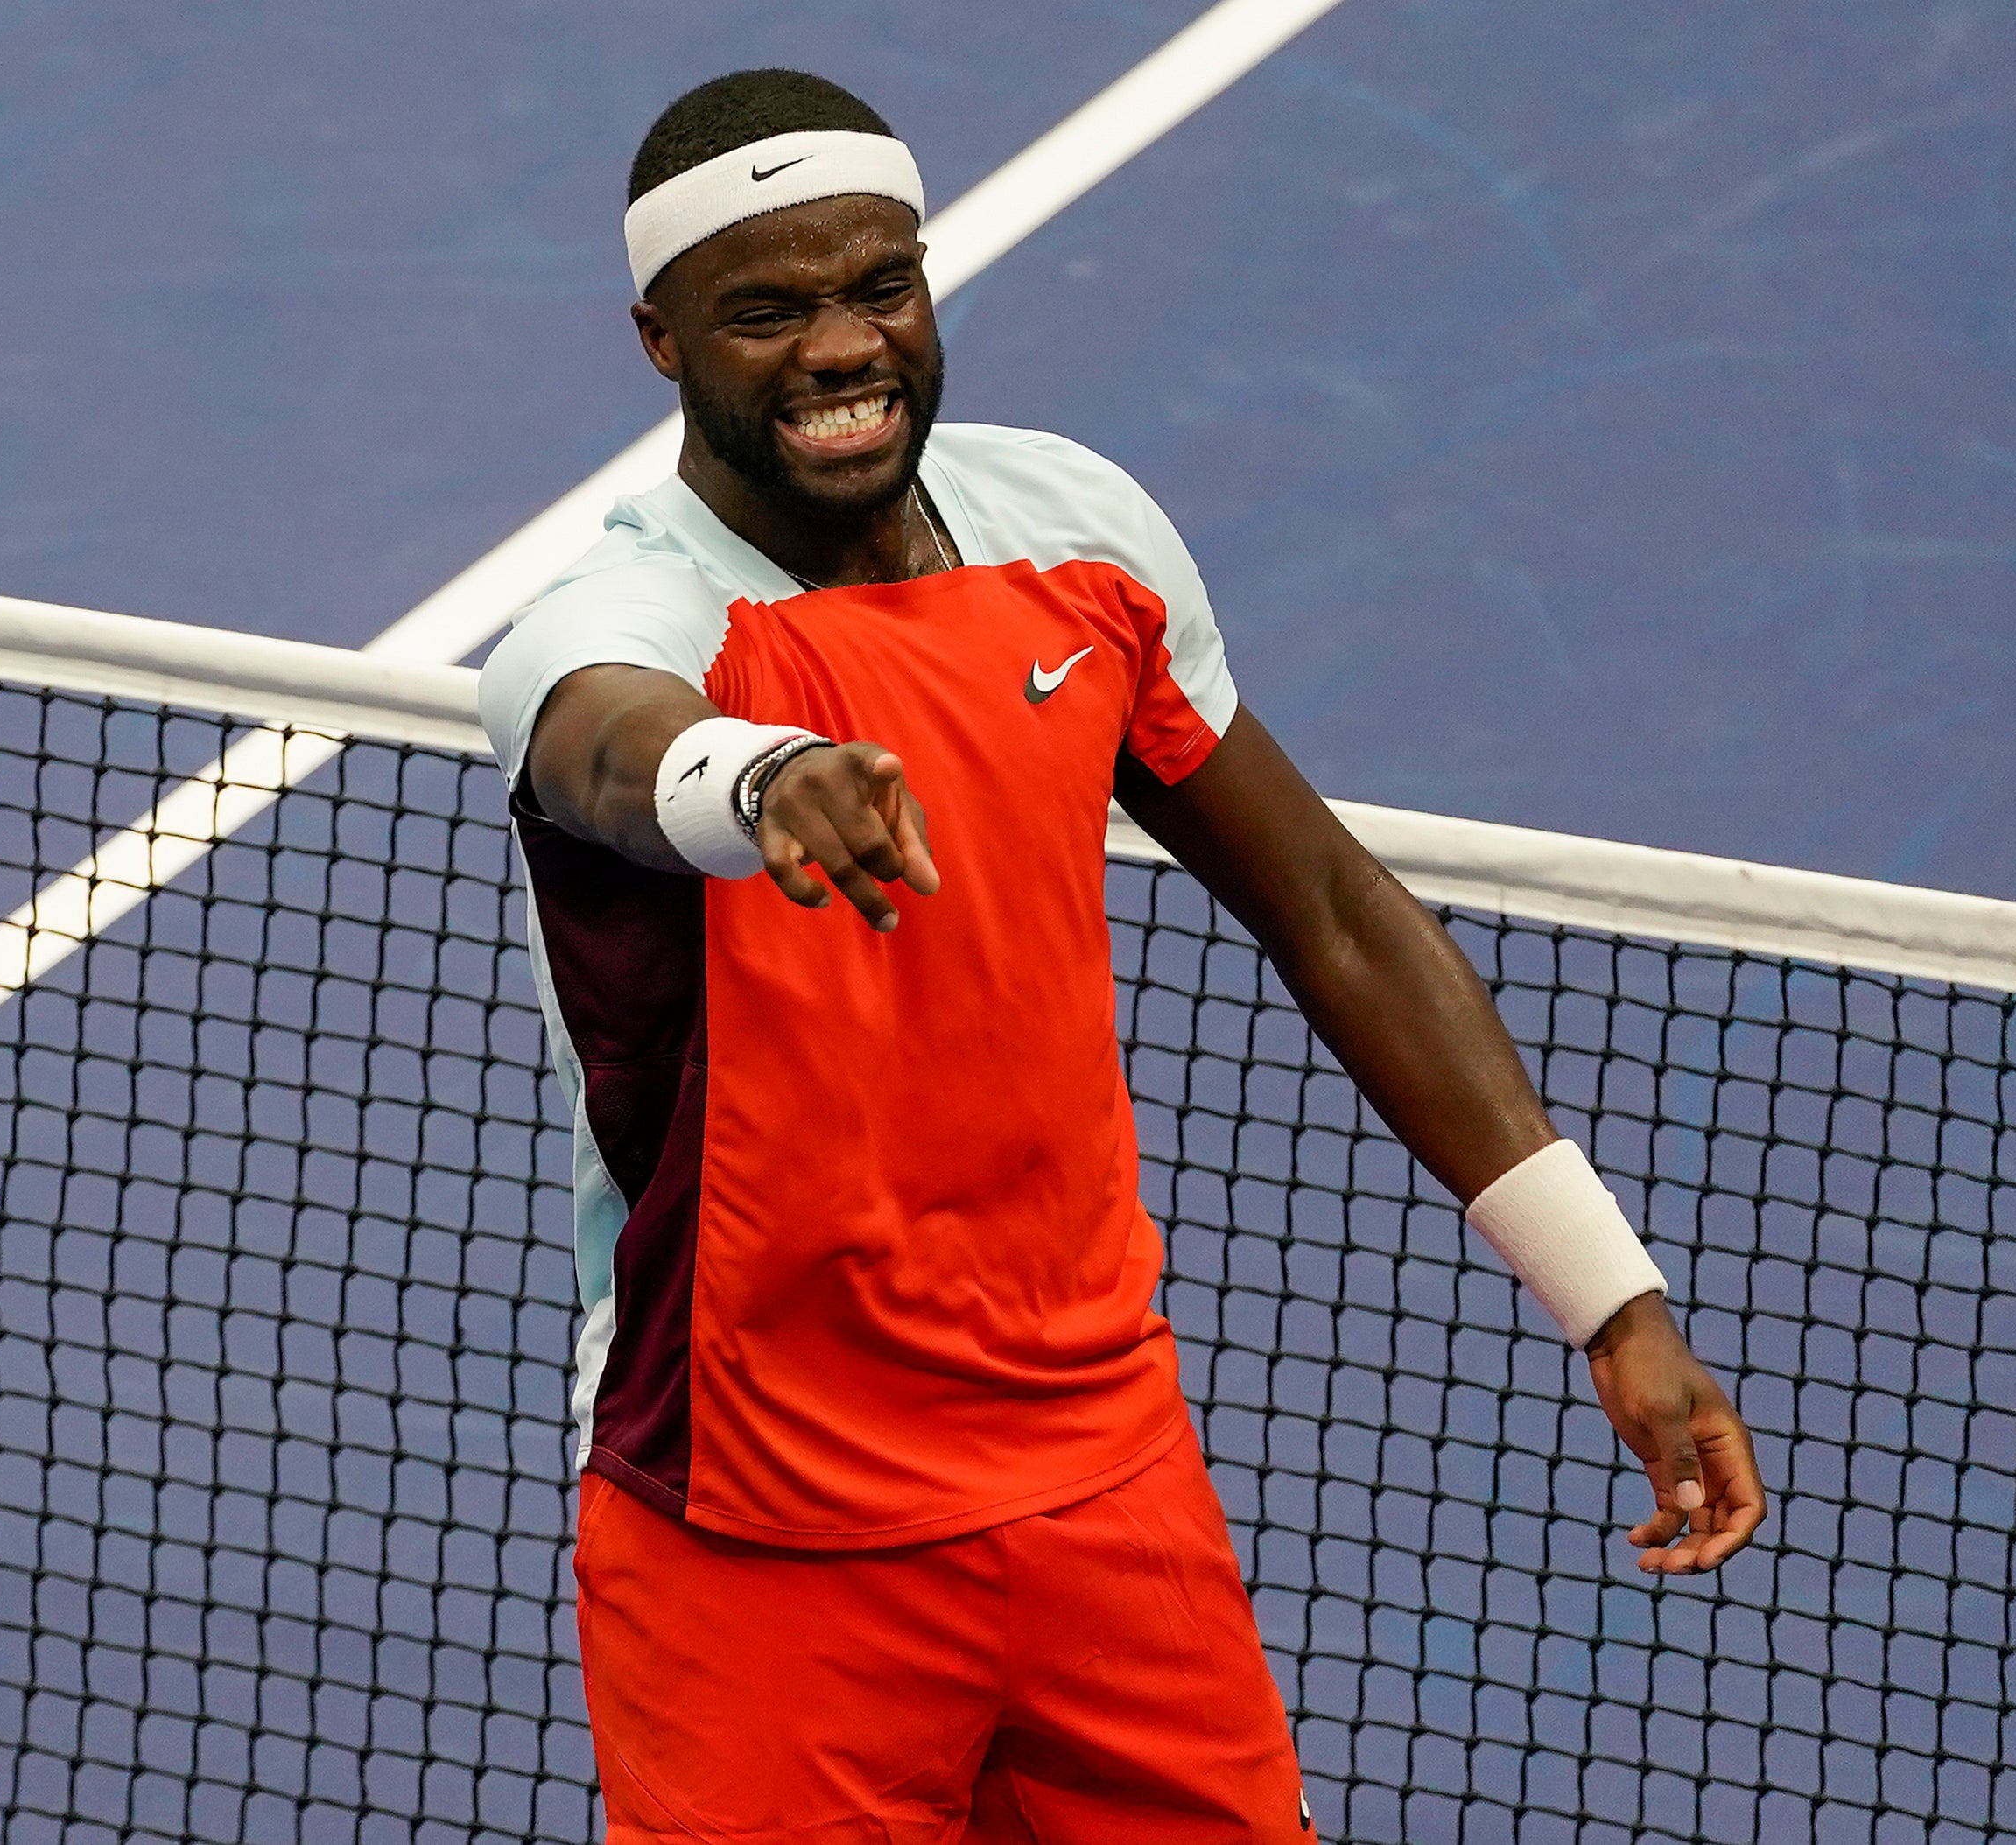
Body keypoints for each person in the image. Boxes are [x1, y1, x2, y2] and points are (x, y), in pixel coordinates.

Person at [478, 66, 1767, 1845]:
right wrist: (753, 770)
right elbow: (601, 740)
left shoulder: (1076, 539)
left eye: (880, 288)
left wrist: (1610, 1294)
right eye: (765, 313)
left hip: (1104, 1484)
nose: (842, 347)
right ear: (660, 341)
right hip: (763, 1523)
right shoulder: (627, 611)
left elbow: (1329, 908)